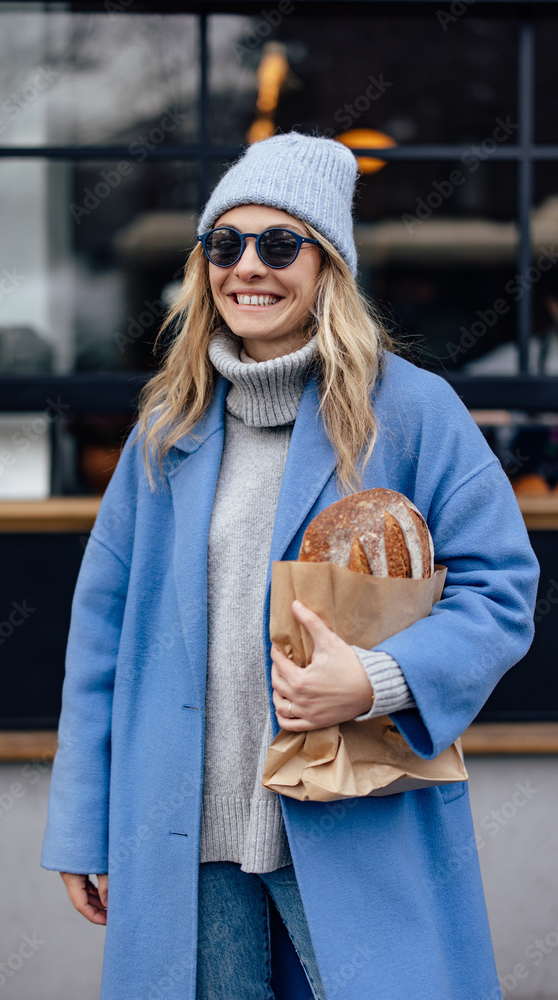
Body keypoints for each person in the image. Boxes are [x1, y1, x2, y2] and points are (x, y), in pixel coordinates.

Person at [41, 133, 539, 1000]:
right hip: (183, 833)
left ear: (327, 268)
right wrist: (86, 824)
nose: (248, 268)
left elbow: (500, 591)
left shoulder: (412, 412)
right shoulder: (169, 428)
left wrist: (377, 679)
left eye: (280, 245)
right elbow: (102, 640)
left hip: (354, 816)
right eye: (224, 244)